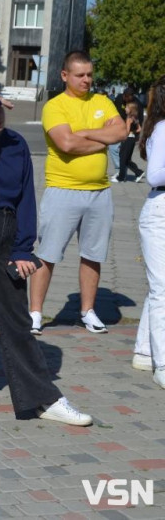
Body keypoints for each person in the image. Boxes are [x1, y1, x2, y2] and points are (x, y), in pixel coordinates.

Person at [0, 86, 92, 427]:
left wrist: (25, 247)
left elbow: (26, 197)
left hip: (9, 234)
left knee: (17, 319)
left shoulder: (16, 144)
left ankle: (42, 399)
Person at [29, 51, 127, 336]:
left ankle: (88, 311)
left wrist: (83, 133)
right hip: (63, 190)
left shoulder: (102, 101)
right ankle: (35, 313)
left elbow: (121, 132)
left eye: (89, 75)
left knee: (92, 254)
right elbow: (66, 144)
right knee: (47, 254)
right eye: (80, 75)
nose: (87, 80)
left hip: (99, 191)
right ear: (64, 76)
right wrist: (100, 137)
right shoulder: (55, 106)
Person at [133, 75, 165, 388]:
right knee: (162, 290)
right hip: (160, 211)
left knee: (160, 286)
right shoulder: (164, 127)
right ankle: (163, 364)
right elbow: (154, 175)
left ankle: (144, 351)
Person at [111, 99, 145, 182]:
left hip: (128, 139)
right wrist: (132, 132)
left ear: (130, 109)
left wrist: (122, 139)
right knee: (127, 159)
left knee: (122, 158)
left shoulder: (129, 118)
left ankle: (121, 177)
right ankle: (139, 172)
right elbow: (139, 129)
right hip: (132, 139)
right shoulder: (135, 118)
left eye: (126, 107)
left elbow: (126, 131)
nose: (125, 108)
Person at [109, 87, 137, 172]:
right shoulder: (118, 99)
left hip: (126, 132)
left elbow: (139, 121)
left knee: (122, 152)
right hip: (117, 128)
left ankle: (122, 170)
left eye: (130, 99)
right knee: (114, 149)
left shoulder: (135, 102)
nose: (128, 101)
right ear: (124, 96)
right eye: (127, 98)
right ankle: (125, 169)